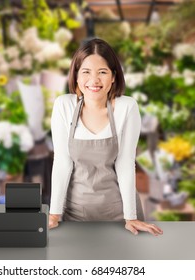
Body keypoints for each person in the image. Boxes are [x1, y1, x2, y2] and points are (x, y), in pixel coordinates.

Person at [48, 38, 163, 236]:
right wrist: (54, 214)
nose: (94, 80)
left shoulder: (127, 107)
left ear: (113, 77)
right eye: (86, 72)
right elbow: (62, 163)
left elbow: (125, 163)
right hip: (74, 213)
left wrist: (131, 217)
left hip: (120, 215)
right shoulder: (64, 106)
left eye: (102, 72)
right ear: (76, 76)